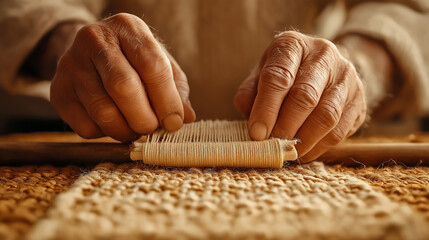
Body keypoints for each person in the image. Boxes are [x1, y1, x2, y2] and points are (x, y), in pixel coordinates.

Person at [1, 0, 428, 162]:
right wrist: (71, 48)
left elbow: (405, 8)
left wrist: (357, 64)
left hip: (298, 142)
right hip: (119, 141)